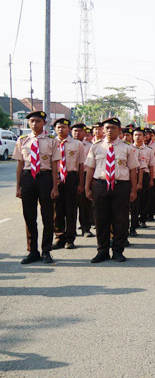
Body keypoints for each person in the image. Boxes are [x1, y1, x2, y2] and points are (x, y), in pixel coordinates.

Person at [84, 117, 138, 263]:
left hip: (121, 186)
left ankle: (118, 250)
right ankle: (102, 250)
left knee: (120, 219)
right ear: (102, 130)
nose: (109, 130)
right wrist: (87, 187)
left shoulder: (127, 147)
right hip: (101, 185)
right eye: (107, 128)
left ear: (119, 130)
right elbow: (90, 168)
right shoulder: (96, 147)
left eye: (113, 128)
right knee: (101, 219)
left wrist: (134, 190)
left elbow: (133, 169)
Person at [14, 111, 60, 264]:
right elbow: (20, 165)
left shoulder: (52, 141)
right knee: (29, 216)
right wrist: (18, 187)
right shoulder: (22, 140)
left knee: (47, 216)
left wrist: (55, 186)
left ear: (44, 123)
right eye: (32, 121)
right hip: (28, 178)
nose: (35, 124)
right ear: (28, 123)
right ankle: (32, 250)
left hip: (44, 177)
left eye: (38, 121)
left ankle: (46, 251)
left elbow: (55, 165)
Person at [52, 118, 84, 250]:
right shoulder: (51, 143)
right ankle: (59, 237)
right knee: (57, 209)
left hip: (71, 177)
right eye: (58, 127)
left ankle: (70, 238)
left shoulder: (77, 144)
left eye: (64, 127)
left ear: (69, 129)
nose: (61, 129)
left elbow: (81, 165)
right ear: (55, 129)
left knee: (71, 209)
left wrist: (81, 183)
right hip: (56, 177)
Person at [129, 127, 155, 236]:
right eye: (135, 135)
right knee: (133, 201)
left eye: (140, 135)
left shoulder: (148, 150)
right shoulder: (129, 149)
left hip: (144, 175)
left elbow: (152, 165)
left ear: (144, 137)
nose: (137, 137)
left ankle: (143, 219)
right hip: (131, 175)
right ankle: (133, 223)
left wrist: (151, 179)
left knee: (144, 199)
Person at [71, 123, 94, 237]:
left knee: (85, 204)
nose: (77, 133)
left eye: (80, 131)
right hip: (70, 175)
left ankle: (86, 228)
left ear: (85, 133)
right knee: (70, 205)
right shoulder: (65, 144)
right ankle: (70, 230)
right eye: (75, 131)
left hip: (85, 175)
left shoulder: (90, 146)